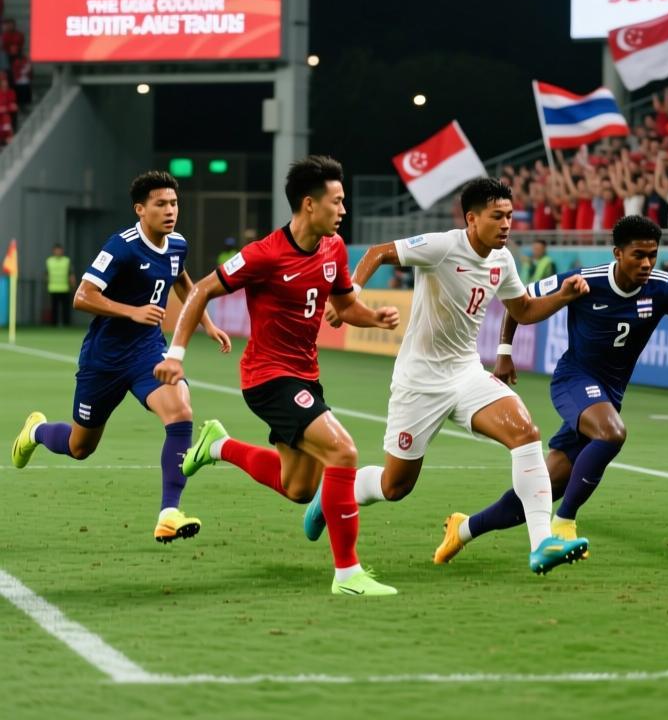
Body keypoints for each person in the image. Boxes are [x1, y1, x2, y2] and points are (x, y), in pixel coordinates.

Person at [304, 176, 591, 575]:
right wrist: (350, 296)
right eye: (497, 216)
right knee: (395, 486)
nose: (506, 224)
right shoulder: (442, 246)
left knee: (525, 432)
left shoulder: (503, 260)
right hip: (419, 382)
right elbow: (378, 252)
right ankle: (332, 492)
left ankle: (542, 543)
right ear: (472, 219)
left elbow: (523, 310)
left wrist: (562, 298)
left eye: (509, 216)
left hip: (466, 374)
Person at [154, 155, 401, 597]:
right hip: (267, 378)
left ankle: (218, 445)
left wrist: (374, 318)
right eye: (337, 201)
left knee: (299, 488)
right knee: (343, 451)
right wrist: (176, 354)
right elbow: (202, 289)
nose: (343, 210)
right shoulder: (265, 254)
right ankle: (348, 574)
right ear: (309, 204)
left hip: (305, 376)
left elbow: (345, 306)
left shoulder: (334, 248)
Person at [432, 215, 668, 561]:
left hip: (608, 395)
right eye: (638, 255)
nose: (647, 263)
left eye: (652, 255)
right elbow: (519, 301)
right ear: (618, 253)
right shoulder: (585, 281)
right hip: (574, 380)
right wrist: (504, 352)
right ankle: (564, 522)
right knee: (612, 434)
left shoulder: (664, 287)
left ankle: (462, 529)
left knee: (541, 489)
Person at [10, 171, 232, 542]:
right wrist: (132, 311)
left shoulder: (178, 244)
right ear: (140, 209)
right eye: (160, 204)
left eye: (174, 203)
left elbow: (182, 280)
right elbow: (82, 296)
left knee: (180, 410)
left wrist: (206, 323)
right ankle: (35, 431)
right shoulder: (122, 246)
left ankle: (169, 512)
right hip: (104, 359)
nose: (170, 211)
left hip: (148, 351)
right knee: (80, 447)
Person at [45, 243, 76, 327]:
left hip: (64, 288)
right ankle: (53, 324)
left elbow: (71, 274)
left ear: (62, 251)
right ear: (53, 251)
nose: (58, 252)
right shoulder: (49, 261)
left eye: (59, 250)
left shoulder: (66, 261)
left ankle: (66, 324)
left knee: (65, 308)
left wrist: (73, 286)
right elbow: (46, 274)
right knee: (54, 308)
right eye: (56, 250)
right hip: (53, 288)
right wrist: (47, 284)